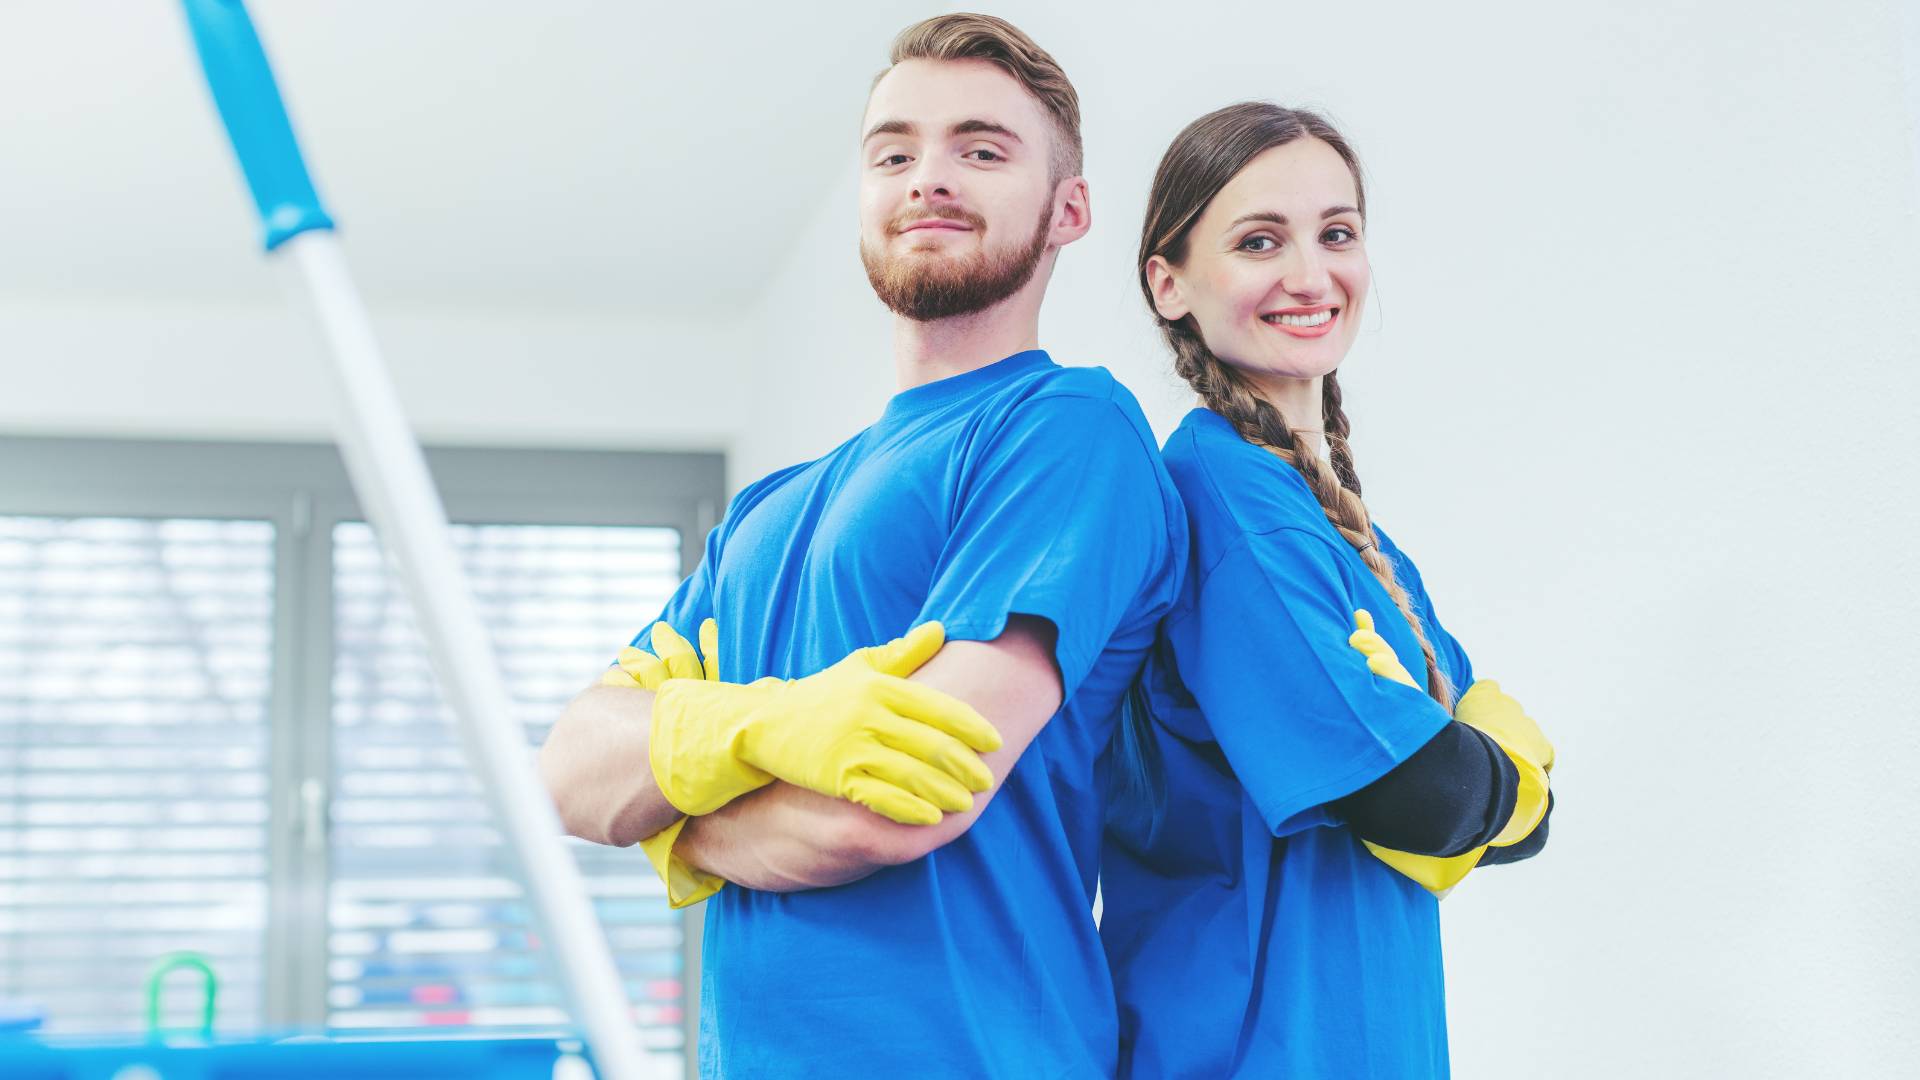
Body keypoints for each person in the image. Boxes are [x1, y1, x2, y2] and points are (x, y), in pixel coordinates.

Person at [539, 15, 1185, 1078]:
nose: (928, 177)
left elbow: (892, 807)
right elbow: (569, 771)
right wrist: (771, 727)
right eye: (895, 152)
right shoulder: (766, 512)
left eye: (981, 149)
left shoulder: (1066, 430)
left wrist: (673, 827)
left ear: (1069, 210)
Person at [1099, 102, 1557, 1078]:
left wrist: (1484, 780)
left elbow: (1496, 822)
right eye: (1260, 240)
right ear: (1167, 281)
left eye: (1336, 233)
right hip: (1250, 1052)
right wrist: (1507, 762)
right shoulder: (1220, 491)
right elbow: (1426, 798)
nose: (1311, 276)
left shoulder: (1353, 534)